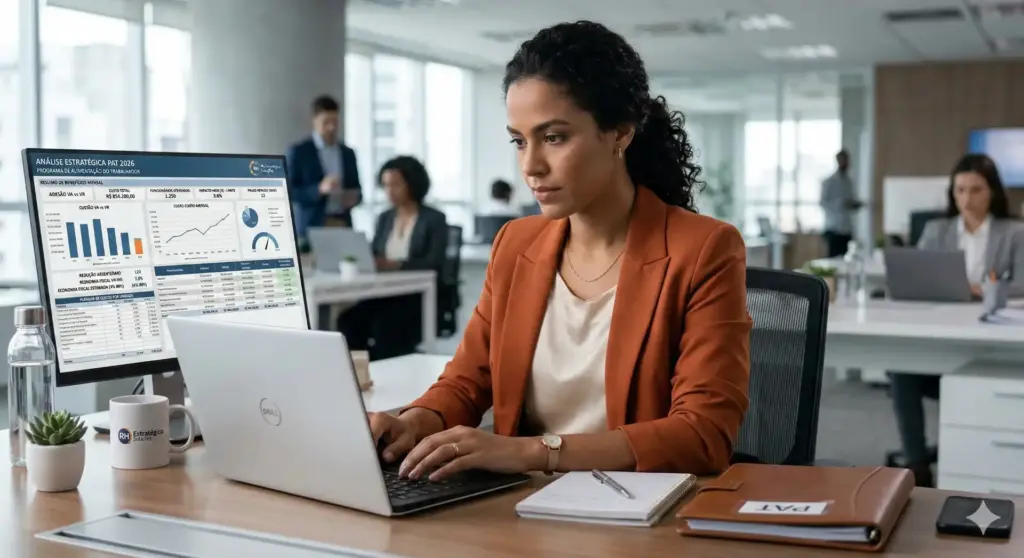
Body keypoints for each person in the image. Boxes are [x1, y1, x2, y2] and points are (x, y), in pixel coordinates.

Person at [367, 21, 752, 482]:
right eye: (519, 140)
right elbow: (468, 381)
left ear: (620, 134)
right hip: (517, 509)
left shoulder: (703, 249)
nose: (530, 165)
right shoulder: (516, 244)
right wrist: (416, 422)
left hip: (637, 512)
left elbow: (702, 435)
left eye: (554, 137)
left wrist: (533, 452)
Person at [889, 153, 1024, 487]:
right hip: (940, 328)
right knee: (901, 367)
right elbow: (919, 276)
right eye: (960, 190)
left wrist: (979, 289)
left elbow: (1022, 282)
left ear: (992, 191)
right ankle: (917, 463)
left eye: (976, 190)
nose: (967, 198)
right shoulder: (936, 230)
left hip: (990, 333)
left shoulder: (1014, 232)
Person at [336, 155, 448, 361]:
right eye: (385, 185)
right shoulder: (385, 217)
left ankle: (389, 373)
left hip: (418, 297)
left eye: (396, 184)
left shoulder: (434, 219)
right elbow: (375, 252)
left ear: (412, 183)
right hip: (385, 293)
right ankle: (362, 373)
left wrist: (396, 265)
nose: (389, 191)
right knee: (347, 321)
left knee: (384, 326)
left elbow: (434, 263)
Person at [286, 95, 363, 241]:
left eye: (335, 122)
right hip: (311, 227)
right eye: (326, 122)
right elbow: (289, 192)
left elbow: (358, 190)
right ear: (314, 120)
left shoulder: (348, 153)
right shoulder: (299, 152)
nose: (331, 127)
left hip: (342, 224)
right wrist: (319, 189)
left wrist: (354, 197)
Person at [820, 149, 862, 257]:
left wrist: (854, 204)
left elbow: (852, 200)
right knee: (833, 258)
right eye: (843, 160)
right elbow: (823, 203)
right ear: (838, 161)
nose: (846, 163)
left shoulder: (849, 181)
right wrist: (841, 204)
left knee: (846, 258)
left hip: (847, 229)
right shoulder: (829, 181)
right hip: (834, 228)